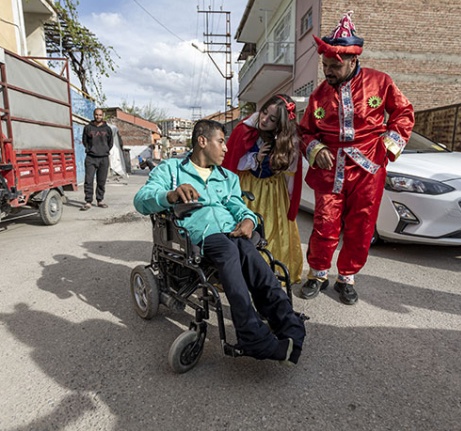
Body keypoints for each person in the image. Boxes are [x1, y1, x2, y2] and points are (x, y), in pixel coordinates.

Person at [133, 119, 305, 365]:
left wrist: (248, 220)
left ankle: (288, 323)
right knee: (229, 252)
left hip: (231, 230)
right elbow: (141, 200)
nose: (226, 148)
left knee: (255, 260)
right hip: (199, 233)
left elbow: (238, 206)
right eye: (221, 141)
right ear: (202, 141)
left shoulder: (227, 177)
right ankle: (251, 335)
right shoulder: (171, 169)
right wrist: (169, 195)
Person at [298, 11, 415, 305]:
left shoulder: (380, 82)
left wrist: (387, 147)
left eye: (334, 66)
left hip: (368, 167)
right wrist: (315, 149)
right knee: (325, 223)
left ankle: (347, 277)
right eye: (325, 65)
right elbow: (305, 132)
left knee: (361, 226)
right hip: (330, 168)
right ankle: (318, 274)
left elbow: (403, 113)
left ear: (352, 61)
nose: (328, 71)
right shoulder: (318, 96)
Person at [222, 94, 304, 285]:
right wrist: (255, 159)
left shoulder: (289, 139)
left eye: (272, 119)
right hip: (248, 187)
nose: (264, 119)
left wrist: (291, 200)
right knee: (246, 227)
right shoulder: (245, 129)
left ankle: (269, 271)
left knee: (274, 231)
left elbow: (292, 173)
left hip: (275, 192)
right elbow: (232, 162)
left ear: (280, 124)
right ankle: (241, 271)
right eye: (264, 112)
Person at [81, 108, 114, 210]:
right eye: (96, 115)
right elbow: (84, 141)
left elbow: (110, 143)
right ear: (93, 115)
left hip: (103, 158)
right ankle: (88, 201)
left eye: (100, 115)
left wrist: (104, 150)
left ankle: (100, 200)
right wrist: (90, 149)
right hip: (91, 158)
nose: (98, 117)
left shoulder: (107, 129)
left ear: (102, 116)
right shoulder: (88, 128)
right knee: (89, 180)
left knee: (101, 181)